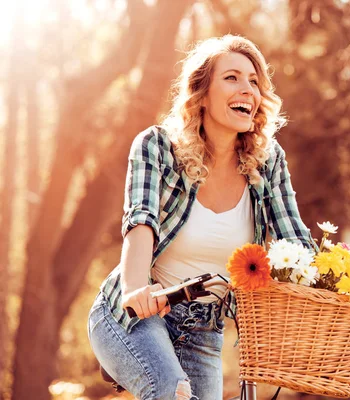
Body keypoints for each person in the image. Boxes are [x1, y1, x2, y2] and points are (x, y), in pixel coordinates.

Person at [87, 35, 317, 400]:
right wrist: (135, 288)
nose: (247, 89)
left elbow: (296, 243)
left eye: (254, 81)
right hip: (136, 315)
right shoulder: (157, 146)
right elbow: (140, 221)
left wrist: (338, 282)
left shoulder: (268, 162)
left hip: (204, 330)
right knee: (172, 391)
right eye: (232, 78)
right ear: (202, 92)